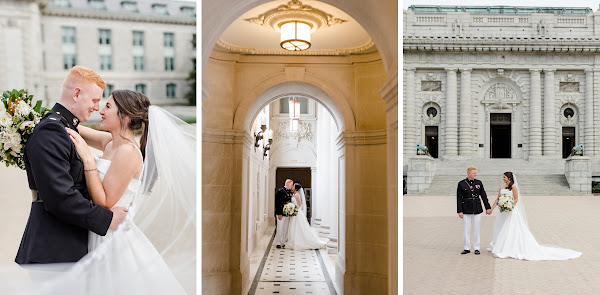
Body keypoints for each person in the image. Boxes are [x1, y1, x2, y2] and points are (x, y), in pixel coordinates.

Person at [15, 65, 128, 265]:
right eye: (94, 100)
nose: (97, 107)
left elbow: (114, 141)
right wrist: (107, 219)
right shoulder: (51, 131)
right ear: (76, 94)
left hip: (67, 244)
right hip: (55, 247)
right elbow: (60, 197)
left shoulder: (62, 127)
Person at [487, 172, 582, 260]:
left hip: (511, 210)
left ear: (509, 178)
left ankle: (509, 247)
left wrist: (509, 205)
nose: (503, 178)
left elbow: (516, 199)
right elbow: (498, 199)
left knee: (510, 228)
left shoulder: (514, 187)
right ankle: (500, 244)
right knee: (501, 227)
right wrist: (492, 208)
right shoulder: (502, 187)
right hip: (502, 211)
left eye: (504, 177)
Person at [457, 167, 491, 255]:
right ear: (469, 174)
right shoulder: (461, 183)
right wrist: (459, 211)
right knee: (466, 229)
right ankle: (466, 247)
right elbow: (459, 198)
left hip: (477, 208)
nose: (476, 174)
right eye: (474, 173)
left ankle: (476, 247)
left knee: (477, 229)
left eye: (476, 173)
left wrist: (488, 207)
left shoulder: (478, 183)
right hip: (466, 208)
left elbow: (483, 195)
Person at [287, 183, 327, 250]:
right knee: (293, 227)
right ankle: (293, 241)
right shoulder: (294, 194)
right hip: (294, 213)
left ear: (296, 188)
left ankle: (299, 241)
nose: (292, 187)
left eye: (293, 186)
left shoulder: (297, 195)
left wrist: (294, 209)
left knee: (298, 227)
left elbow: (300, 204)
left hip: (297, 213)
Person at [275, 179, 293, 249]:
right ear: (287, 184)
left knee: (286, 228)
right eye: (291, 184)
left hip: (287, 213)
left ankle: (284, 241)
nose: (292, 186)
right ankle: (278, 242)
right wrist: (279, 213)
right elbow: (277, 203)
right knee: (280, 228)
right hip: (281, 213)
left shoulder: (290, 192)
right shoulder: (280, 191)